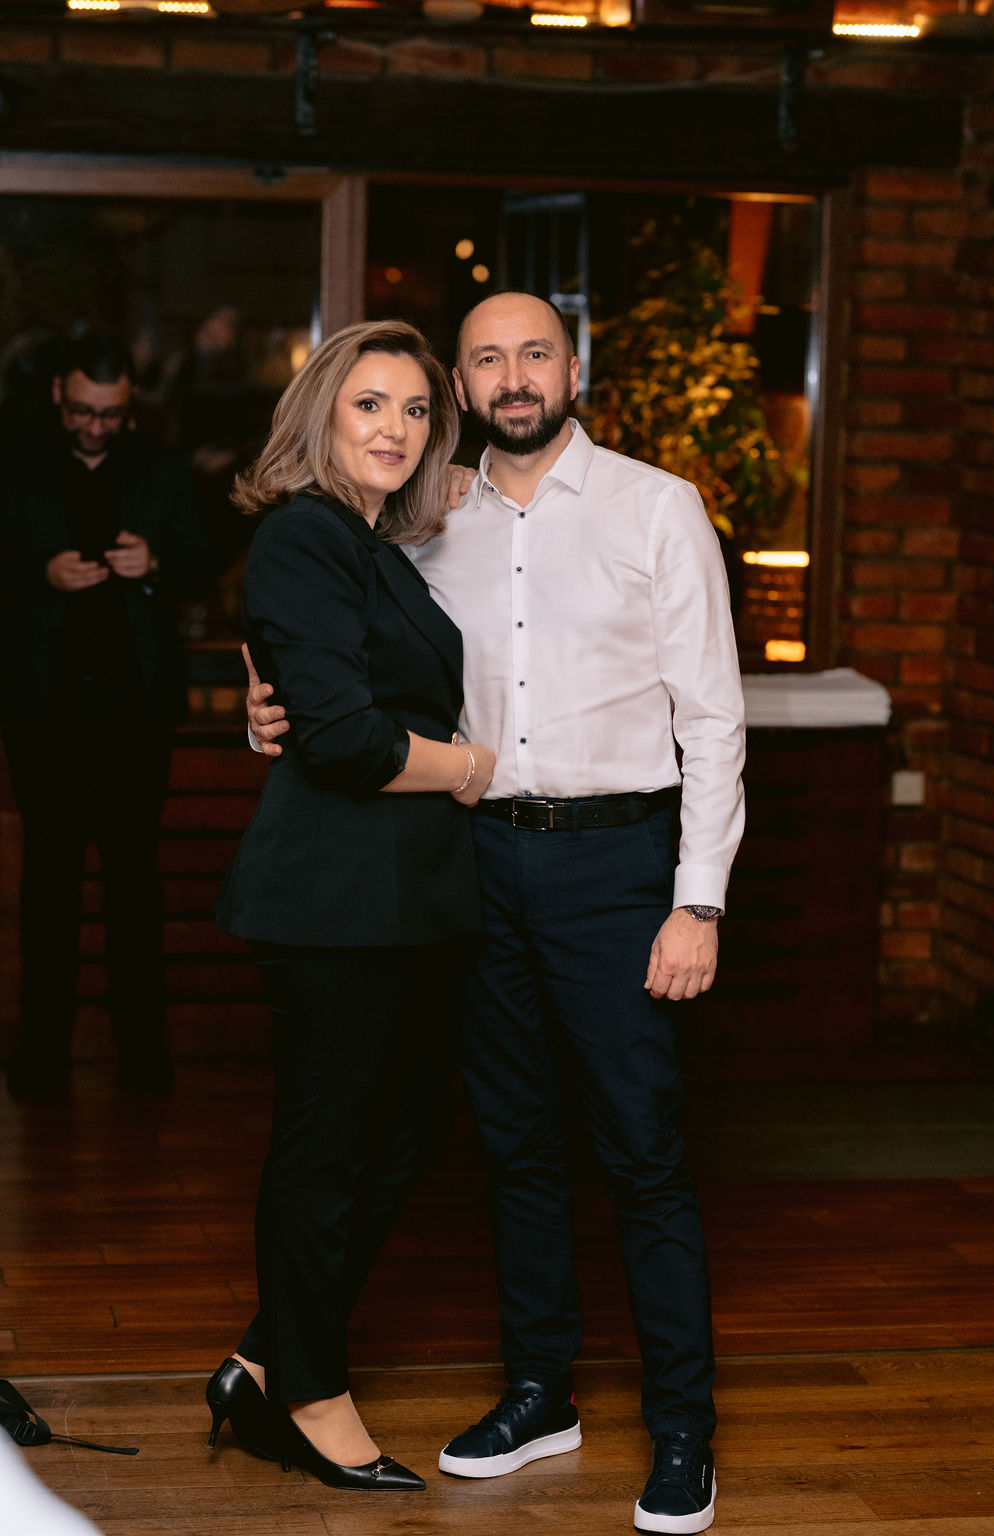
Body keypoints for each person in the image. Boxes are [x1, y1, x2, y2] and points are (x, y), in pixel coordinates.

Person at [248, 291, 745, 1533]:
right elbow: (346, 664)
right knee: (514, 1146)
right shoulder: (427, 522)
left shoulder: (656, 506)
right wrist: (267, 708)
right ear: (466, 390)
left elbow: (712, 716)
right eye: (485, 360)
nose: (512, 376)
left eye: (535, 352)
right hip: (468, 867)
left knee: (642, 1151)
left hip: (616, 864)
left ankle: (683, 1427)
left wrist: (696, 900)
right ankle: (539, 1392)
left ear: (572, 368)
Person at [208, 321, 495, 1493]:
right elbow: (341, 739)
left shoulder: (370, 543)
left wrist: (467, 481)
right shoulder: (303, 534)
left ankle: (265, 1356)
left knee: (406, 1131)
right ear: (321, 411)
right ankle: (310, 1394)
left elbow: (334, 688)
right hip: (334, 900)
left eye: (417, 410)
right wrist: (470, 768)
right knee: (326, 1147)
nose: (395, 428)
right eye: (369, 404)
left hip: (401, 900)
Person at [0, 331, 211, 1099]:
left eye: (112, 414)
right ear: (60, 394)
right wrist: (39, 573)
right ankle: (42, 1059)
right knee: (49, 885)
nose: (97, 426)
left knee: (134, 884)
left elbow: (200, 561)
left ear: (130, 406)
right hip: (44, 710)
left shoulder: (161, 467)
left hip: (134, 712)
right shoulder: (16, 464)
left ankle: (143, 1056)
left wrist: (154, 565)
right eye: (85, 411)